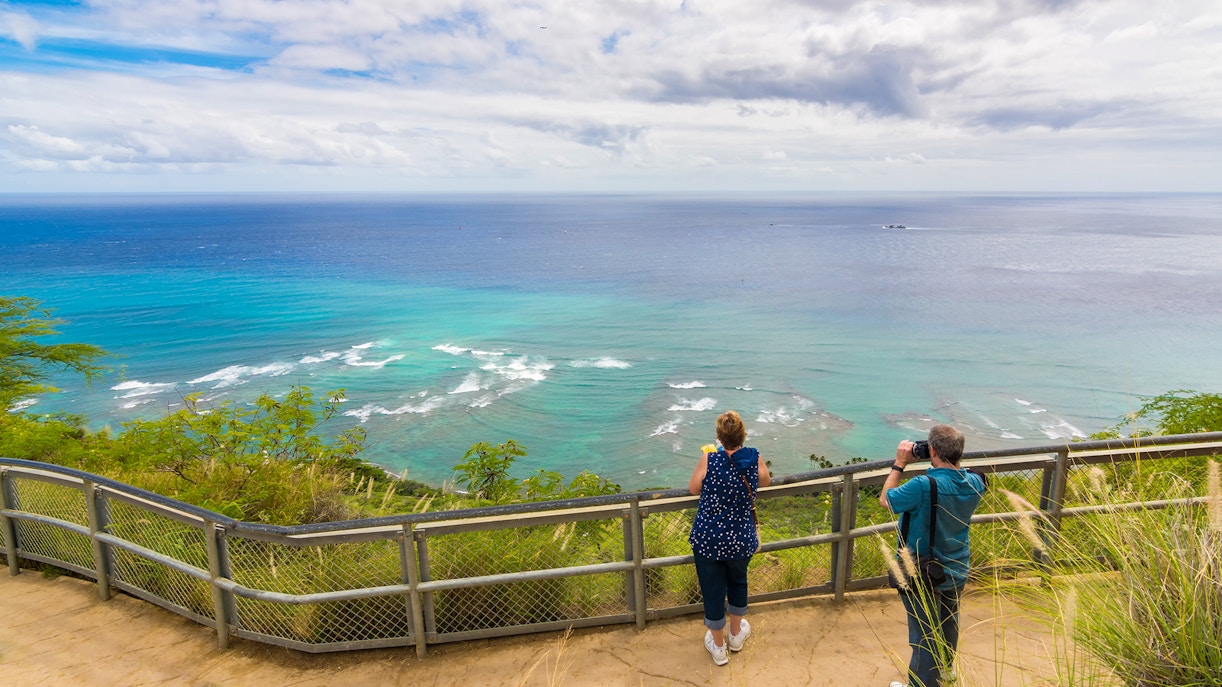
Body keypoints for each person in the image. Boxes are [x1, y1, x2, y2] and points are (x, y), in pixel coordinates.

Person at [879, 424, 986, 687]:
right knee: (949, 622)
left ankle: (922, 684)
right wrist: (945, 456)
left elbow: (886, 500)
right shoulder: (976, 482)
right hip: (958, 565)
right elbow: (961, 472)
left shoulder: (923, 485)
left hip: (923, 571)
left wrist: (899, 463)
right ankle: (945, 671)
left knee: (924, 634)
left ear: (933, 450)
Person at [687, 410, 771, 666]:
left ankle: (719, 647)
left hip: (709, 539)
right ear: (742, 435)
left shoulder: (709, 459)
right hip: (740, 538)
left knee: (712, 589)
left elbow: (693, 489)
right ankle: (735, 636)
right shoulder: (754, 457)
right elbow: (765, 481)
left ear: (719, 438)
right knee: (738, 582)